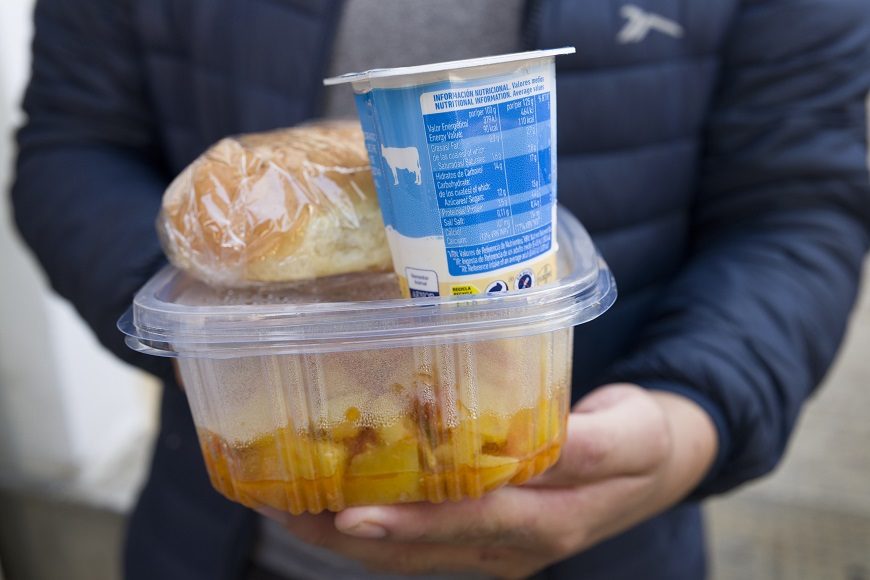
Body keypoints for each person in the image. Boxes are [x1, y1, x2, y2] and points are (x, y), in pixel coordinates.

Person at [11, 0, 870, 579]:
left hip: (604, 533)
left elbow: (799, 206)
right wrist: (220, 342)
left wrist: (693, 412)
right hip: (234, 535)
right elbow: (73, 143)